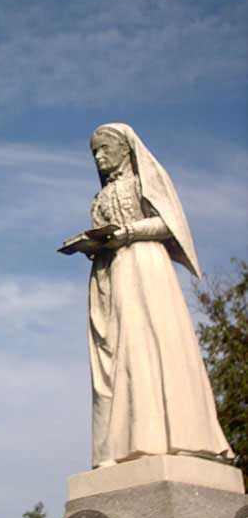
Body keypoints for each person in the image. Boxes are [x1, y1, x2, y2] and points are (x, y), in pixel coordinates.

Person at [83, 122, 233, 469]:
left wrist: (129, 232)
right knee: (120, 352)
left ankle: (174, 437)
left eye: (105, 149)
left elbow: (170, 223)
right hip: (111, 272)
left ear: (126, 149)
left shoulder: (143, 183)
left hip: (145, 264)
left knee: (151, 341)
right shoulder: (100, 196)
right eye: (95, 153)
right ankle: (120, 444)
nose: (99, 157)